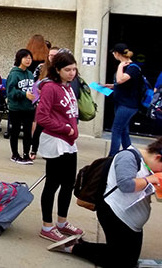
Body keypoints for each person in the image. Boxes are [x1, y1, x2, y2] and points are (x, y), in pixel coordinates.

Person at [52, 137, 162, 266]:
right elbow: (126, 185)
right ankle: (74, 248)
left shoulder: (146, 164)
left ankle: (79, 244)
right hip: (114, 214)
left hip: (131, 220)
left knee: (127, 258)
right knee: (121, 262)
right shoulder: (128, 157)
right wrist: (151, 179)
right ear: (157, 157)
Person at [34, 50, 84, 243]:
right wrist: (64, 128)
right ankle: (47, 225)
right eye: (67, 69)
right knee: (52, 184)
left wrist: (71, 130)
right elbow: (42, 117)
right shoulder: (49, 87)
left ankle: (62, 222)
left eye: (74, 69)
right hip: (55, 141)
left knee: (68, 183)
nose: (72, 73)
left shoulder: (69, 87)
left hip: (69, 142)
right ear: (57, 69)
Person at [109, 43, 144, 156]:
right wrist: (111, 86)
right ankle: (129, 154)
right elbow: (123, 84)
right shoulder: (127, 67)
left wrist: (120, 66)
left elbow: (120, 80)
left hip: (128, 105)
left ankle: (112, 156)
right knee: (124, 131)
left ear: (117, 54)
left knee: (116, 130)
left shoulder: (132, 68)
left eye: (114, 53)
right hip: (121, 103)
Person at [6, 48, 35, 164]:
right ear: (19, 59)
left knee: (28, 132)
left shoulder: (30, 74)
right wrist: (24, 94)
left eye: (30, 58)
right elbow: (10, 92)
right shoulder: (14, 74)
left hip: (29, 108)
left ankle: (26, 154)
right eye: (26, 58)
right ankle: (15, 154)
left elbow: (32, 89)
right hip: (16, 108)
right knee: (15, 131)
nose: (28, 60)